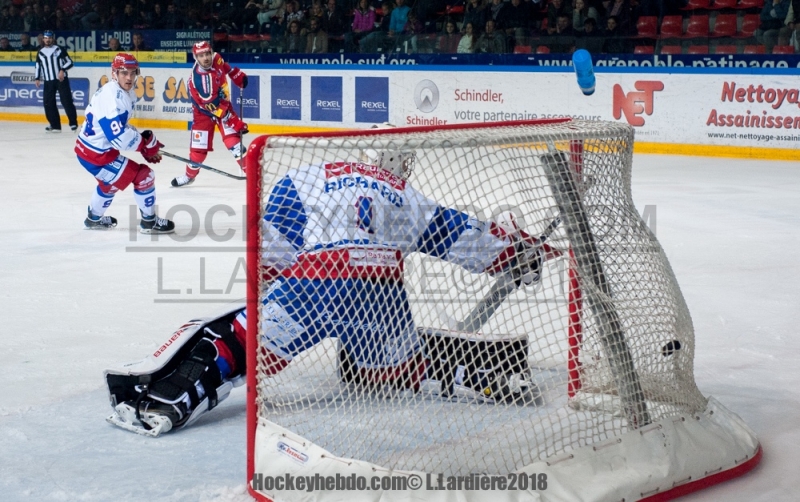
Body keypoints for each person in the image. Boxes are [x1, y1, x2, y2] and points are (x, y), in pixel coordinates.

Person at [105, 139, 548, 436]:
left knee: (240, 342)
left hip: (317, 282)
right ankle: (485, 371)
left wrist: (269, 301)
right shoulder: (405, 193)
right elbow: (463, 239)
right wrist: (519, 254)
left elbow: (271, 257)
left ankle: (166, 404)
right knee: (390, 370)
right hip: (382, 294)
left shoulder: (305, 177)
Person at [74, 53, 175, 234]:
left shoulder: (120, 91)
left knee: (109, 183)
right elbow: (118, 136)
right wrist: (144, 145)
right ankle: (149, 222)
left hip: (89, 150)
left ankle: (93, 219)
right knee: (144, 176)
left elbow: (120, 127)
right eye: (123, 73)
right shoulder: (113, 98)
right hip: (97, 155)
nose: (129, 77)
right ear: (114, 73)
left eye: (132, 72)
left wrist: (142, 140)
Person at [172, 41, 249, 187]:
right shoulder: (201, 81)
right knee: (198, 152)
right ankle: (189, 176)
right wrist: (234, 121)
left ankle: (251, 172)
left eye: (207, 54)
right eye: (201, 56)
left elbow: (224, 65)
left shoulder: (216, 58)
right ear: (196, 57)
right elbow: (215, 109)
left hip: (222, 104)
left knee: (234, 143)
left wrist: (235, 74)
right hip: (203, 112)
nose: (206, 58)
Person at [34, 30, 79, 133]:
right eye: (46, 38)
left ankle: (73, 123)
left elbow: (69, 62)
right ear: (43, 39)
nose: (48, 40)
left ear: (52, 39)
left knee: (66, 101)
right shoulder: (40, 52)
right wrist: (37, 78)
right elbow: (38, 66)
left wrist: (62, 70)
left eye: (49, 38)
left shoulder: (59, 49)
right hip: (48, 80)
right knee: (48, 103)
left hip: (61, 80)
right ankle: (55, 125)